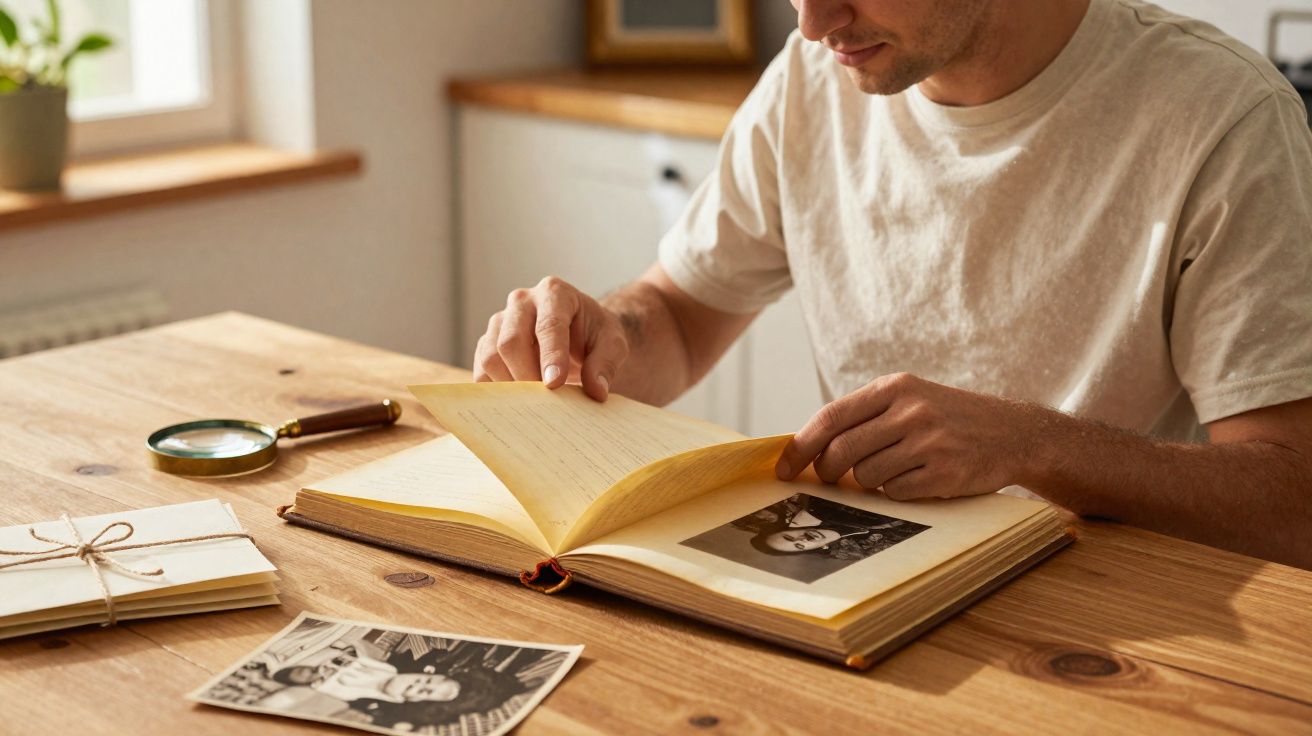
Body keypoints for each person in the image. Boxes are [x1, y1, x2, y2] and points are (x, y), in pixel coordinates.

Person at [472, 0, 1312, 569]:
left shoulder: (1223, 118)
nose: (810, 22)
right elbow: (683, 319)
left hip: (1107, 621)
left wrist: (1030, 446)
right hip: (864, 589)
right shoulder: (814, 80)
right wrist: (606, 334)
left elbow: (1293, 499)